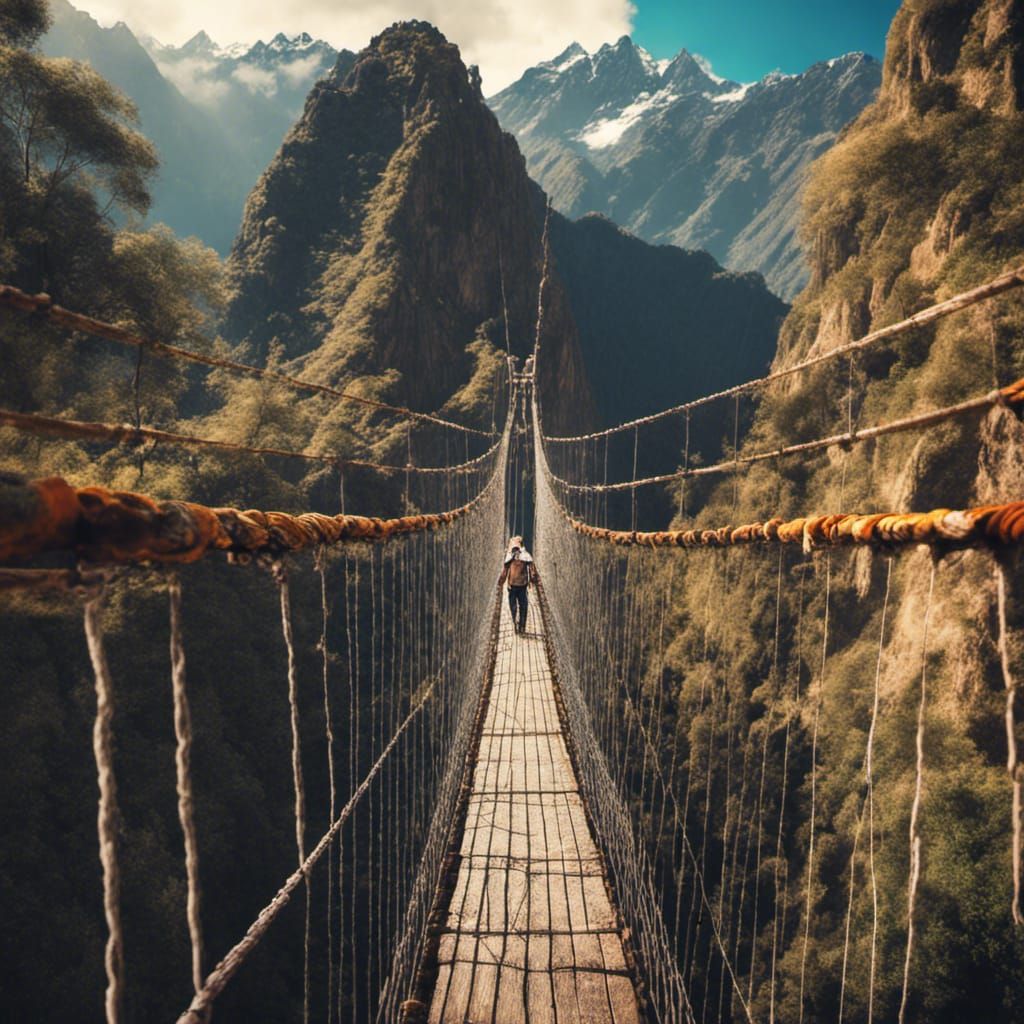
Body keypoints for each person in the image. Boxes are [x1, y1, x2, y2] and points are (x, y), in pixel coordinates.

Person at [498, 535, 538, 634]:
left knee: (513, 604)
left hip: (512, 585)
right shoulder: (525, 555)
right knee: (523, 605)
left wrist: (500, 583)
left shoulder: (510, 556)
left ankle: (514, 619)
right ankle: (522, 626)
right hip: (522, 585)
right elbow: (532, 569)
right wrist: (533, 580)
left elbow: (504, 572)